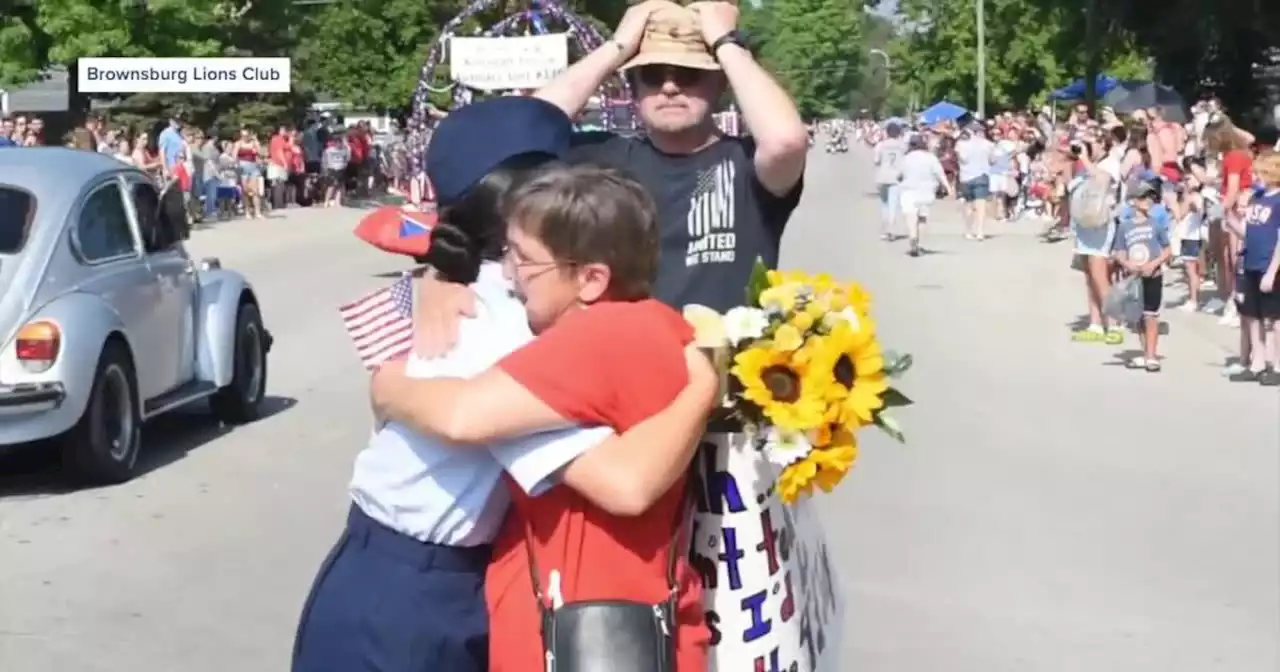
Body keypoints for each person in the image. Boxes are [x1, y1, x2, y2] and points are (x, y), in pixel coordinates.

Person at [293, 97, 719, 672]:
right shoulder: (513, 321)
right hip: (408, 590)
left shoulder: (496, 295)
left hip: (426, 576)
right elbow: (622, 482)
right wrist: (701, 389)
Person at [1228, 151, 1280, 385]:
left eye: (1258, 172)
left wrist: (1272, 271)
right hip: (1251, 262)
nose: (1254, 176)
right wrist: (1230, 219)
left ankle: (1277, 365)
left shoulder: (1278, 201)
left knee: (1275, 319)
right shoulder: (1257, 198)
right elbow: (1249, 232)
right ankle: (1257, 362)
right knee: (1252, 316)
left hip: (1270, 265)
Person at [1112, 177, 1172, 371]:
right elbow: (1119, 252)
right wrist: (1128, 265)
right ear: (1133, 201)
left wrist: (1154, 264)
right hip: (1134, 277)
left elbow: (1167, 249)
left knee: (1151, 315)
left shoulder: (1155, 224)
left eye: (1150, 197)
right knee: (1138, 317)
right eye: (1143, 197)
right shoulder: (1124, 226)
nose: (1147, 201)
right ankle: (1146, 352)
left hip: (1153, 275)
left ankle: (1152, 355)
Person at [897, 133, 953, 256]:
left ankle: (913, 238)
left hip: (909, 191)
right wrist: (948, 188)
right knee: (922, 218)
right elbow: (940, 173)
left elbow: (899, 175)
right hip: (926, 192)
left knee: (911, 217)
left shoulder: (906, 158)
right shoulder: (931, 157)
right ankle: (920, 243)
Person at [955, 124, 994, 240]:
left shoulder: (960, 145)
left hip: (966, 177)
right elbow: (992, 160)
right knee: (980, 205)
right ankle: (980, 231)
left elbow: (961, 159)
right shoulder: (988, 144)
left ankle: (968, 230)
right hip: (982, 175)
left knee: (968, 204)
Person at [874, 122, 907, 240]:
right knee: (893, 205)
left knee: (884, 205)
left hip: (883, 177)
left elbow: (876, 161)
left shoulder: (881, 145)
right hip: (896, 177)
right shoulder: (903, 146)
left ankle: (884, 230)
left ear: (887, 132)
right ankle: (891, 231)